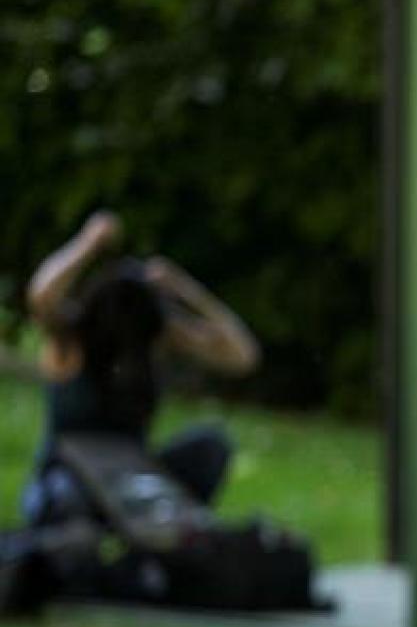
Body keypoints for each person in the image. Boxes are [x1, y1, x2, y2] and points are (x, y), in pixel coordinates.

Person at [19, 210, 261, 527]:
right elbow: (42, 295)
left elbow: (242, 356)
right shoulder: (72, 342)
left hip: (132, 477)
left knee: (211, 445)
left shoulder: (153, 342)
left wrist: (186, 290)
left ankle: (178, 534)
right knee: (70, 498)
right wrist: (88, 243)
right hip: (68, 482)